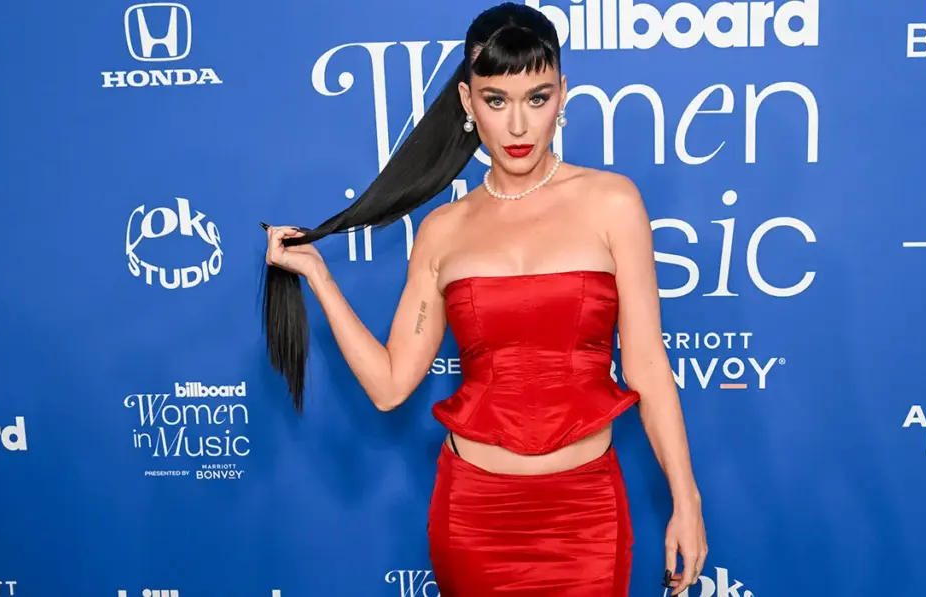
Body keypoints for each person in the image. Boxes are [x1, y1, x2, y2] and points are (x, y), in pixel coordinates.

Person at [260, 2, 706, 595]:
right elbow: (390, 385)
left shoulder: (613, 203)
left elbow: (647, 364)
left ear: (563, 94)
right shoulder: (443, 230)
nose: (518, 126)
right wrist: (318, 275)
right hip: (474, 517)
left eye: (537, 98)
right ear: (468, 103)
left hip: (586, 515)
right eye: (497, 101)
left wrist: (686, 499)